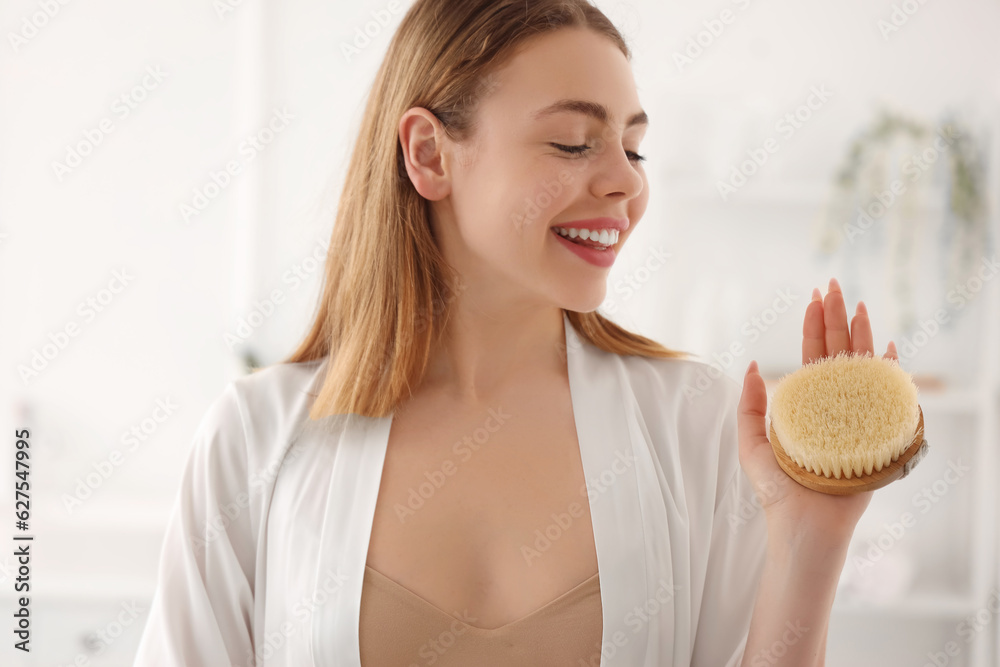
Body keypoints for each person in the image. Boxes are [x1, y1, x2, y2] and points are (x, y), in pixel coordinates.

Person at [134, 1, 899, 665]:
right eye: (574, 142)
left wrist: (810, 539)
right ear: (429, 154)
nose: (627, 182)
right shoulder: (257, 437)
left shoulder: (695, 422)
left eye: (633, 147)